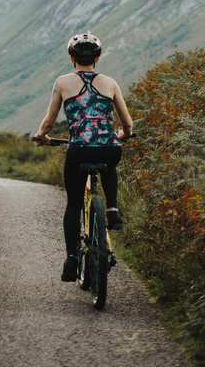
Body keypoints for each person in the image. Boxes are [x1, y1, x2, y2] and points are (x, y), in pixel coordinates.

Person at [34, 31, 133, 282]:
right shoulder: (110, 83)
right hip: (109, 147)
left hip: (78, 150)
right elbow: (127, 123)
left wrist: (42, 136)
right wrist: (123, 135)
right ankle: (112, 208)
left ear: (72, 58)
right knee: (109, 160)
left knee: (73, 204)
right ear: (97, 59)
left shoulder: (63, 82)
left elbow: (49, 122)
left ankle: (71, 258)